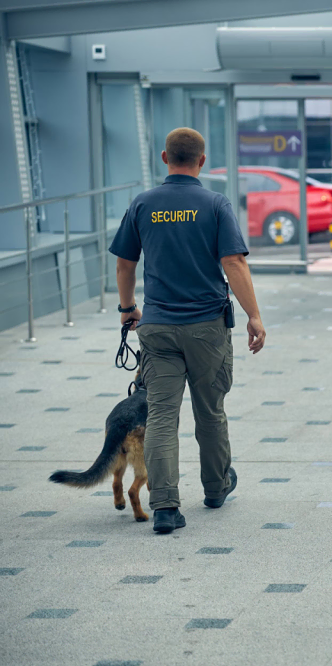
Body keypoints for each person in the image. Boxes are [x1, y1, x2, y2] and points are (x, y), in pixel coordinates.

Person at [110, 127, 266, 535]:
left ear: (165, 158)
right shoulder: (215, 204)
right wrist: (254, 315)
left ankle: (164, 506)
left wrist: (128, 309)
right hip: (206, 329)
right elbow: (234, 263)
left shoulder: (143, 203)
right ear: (201, 160)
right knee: (210, 412)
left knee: (161, 416)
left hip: (157, 327)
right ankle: (216, 488)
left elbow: (125, 265)